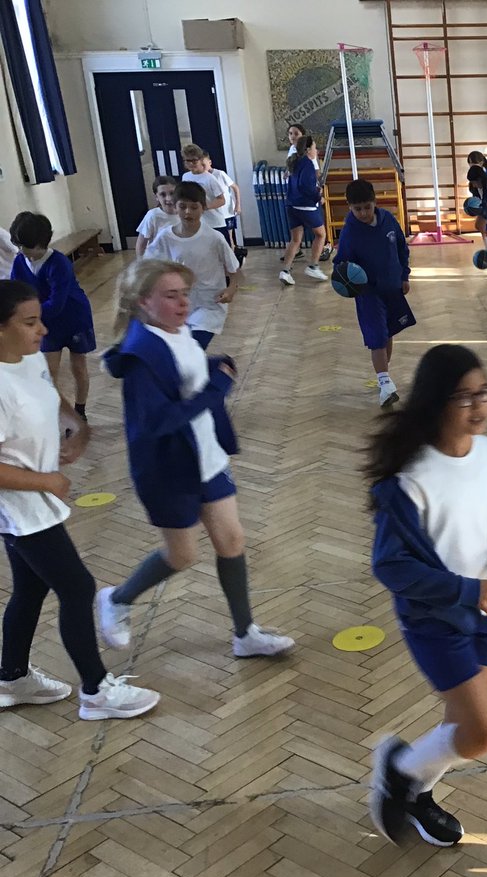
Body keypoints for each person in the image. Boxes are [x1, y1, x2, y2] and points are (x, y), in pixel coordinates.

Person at [366, 344, 487, 849]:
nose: (478, 406)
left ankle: (417, 793)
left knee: (461, 724)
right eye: (463, 397)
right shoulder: (410, 479)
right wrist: (466, 589)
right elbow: (392, 566)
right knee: (482, 734)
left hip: (486, 611)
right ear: (436, 401)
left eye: (484, 393)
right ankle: (399, 770)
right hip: (435, 619)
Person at [96, 259, 294, 659]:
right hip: (168, 470)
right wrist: (216, 387)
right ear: (143, 302)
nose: (184, 303)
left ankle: (245, 634)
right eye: (171, 296)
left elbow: (181, 379)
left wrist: (210, 366)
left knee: (231, 540)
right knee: (182, 555)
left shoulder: (177, 331)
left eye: (185, 293)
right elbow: (159, 421)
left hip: (206, 457)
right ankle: (116, 599)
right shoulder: (140, 356)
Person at [0, 279, 160, 720]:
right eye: (30, 322)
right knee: (78, 587)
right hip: (21, 508)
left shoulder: (30, 358)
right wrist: (46, 481)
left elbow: (49, 392)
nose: (42, 329)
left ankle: (11, 678)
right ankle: (96, 691)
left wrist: (77, 425)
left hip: (36, 503)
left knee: (31, 588)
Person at [334, 179, 416, 409]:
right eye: (357, 209)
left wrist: (404, 276)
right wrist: (345, 280)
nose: (363, 213)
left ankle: (384, 377)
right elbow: (340, 264)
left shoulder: (388, 220)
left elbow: (402, 248)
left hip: (392, 287)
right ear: (350, 207)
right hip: (368, 293)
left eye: (367, 207)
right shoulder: (350, 232)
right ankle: (385, 384)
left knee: (387, 333)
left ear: (375, 202)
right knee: (376, 336)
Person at [9, 212, 96, 422]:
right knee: (49, 371)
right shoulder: (20, 261)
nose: (21, 250)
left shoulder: (59, 263)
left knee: (79, 367)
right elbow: (15, 291)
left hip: (74, 319)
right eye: (18, 245)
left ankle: (80, 411)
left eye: (25, 246)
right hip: (46, 323)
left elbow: (56, 304)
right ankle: (56, 412)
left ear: (40, 243)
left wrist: (27, 317)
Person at [144, 182, 241, 350]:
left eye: (194, 207)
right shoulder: (165, 238)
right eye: (183, 207)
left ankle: (215, 365)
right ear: (175, 207)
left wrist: (231, 289)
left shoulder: (214, 238)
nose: (188, 212)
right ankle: (216, 365)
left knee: (193, 346)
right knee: (181, 352)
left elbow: (234, 269)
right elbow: (148, 267)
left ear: (203, 208)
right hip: (178, 306)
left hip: (210, 304)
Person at [279, 135, 328, 285]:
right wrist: (317, 197)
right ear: (308, 150)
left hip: (292, 205)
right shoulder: (307, 164)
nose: (316, 151)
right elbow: (305, 186)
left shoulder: (295, 162)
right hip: (306, 206)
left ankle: (285, 271)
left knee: (295, 240)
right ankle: (313, 266)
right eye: (314, 148)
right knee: (321, 235)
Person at [180, 143, 228, 234]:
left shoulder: (209, 178)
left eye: (194, 161)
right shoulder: (185, 177)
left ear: (201, 160)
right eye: (188, 161)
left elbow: (221, 200)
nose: (191, 164)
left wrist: (204, 207)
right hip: (197, 223)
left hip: (214, 223)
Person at [136, 176, 179, 258]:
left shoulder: (184, 214)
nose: (168, 198)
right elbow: (141, 245)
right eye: (163, 194)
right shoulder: (153, 215)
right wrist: (141, 262)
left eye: (172, 193)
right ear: (156, 197)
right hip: (157, 262)